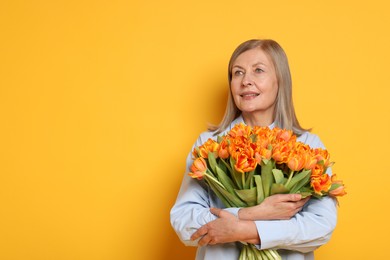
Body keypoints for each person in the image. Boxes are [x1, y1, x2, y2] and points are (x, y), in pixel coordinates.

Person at [170, 39, 338, 260]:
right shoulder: (209, 145)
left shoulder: (309, 146)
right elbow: (184, 222)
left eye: (258, 70)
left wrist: (246, 230)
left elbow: (320, 226)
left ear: (281, 81)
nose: (245, 81)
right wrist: (251, 213)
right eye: (237, 73)